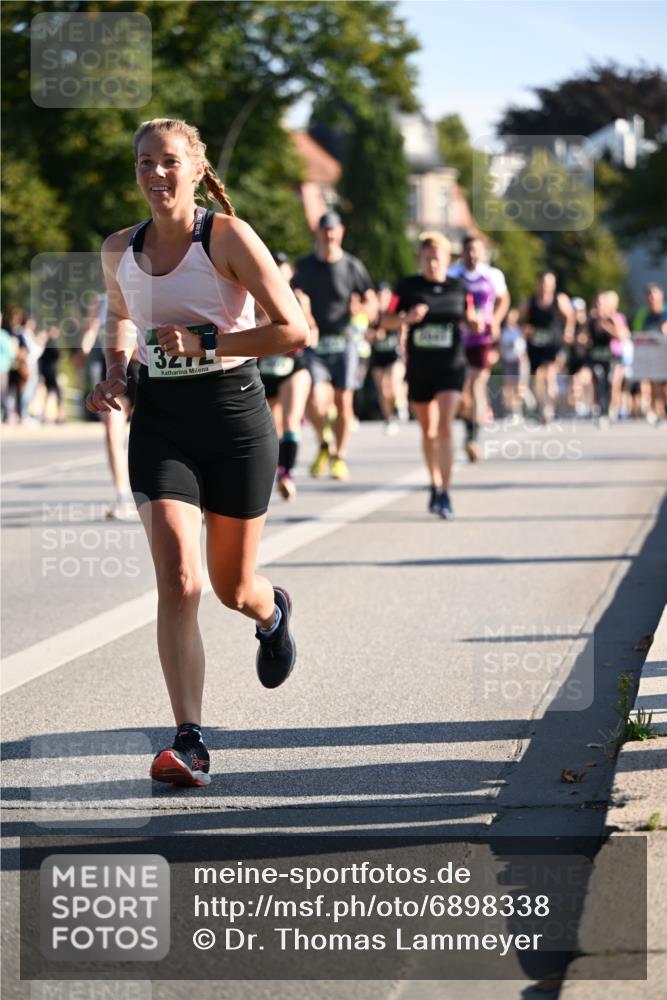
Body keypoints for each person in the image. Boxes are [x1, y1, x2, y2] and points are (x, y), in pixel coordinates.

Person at [85, 118, 309, 788]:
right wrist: (118, 371)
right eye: (145, 163)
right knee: (179, 580)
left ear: (195, 168)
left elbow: (293, 330)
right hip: (162, 425)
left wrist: (209, 345)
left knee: (231, 587)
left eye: (169, 163)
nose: (156, 175)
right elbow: (122, 313)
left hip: (236, 421)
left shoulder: (228, 238)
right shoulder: (119, 248)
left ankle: (272, 614)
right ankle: (188, 739)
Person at [383, 232, 472, 519]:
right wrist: (406, 319)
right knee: (428, 430)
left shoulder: (459, 288)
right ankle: (433, 482)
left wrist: (477, 322)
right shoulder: (408, 287)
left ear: (447, 260)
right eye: (427, 258)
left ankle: (445, 492)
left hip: (451, 366)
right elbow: (384, 319)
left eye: (437, 258)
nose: (432, 263)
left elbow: (472, 316)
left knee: (444, 427)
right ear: (420, 259)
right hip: (420, 367)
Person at [292, 211, 376, 482]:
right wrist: (302, 309)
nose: (329, 235)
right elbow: (292, 294)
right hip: (316, 341)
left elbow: (371, 300)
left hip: (344, 340)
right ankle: (324, 441)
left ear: (341, 232)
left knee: (343, 402)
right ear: (318, 232)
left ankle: (339, 456)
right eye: (324, 229)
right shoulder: (305, 266)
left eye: (334, 230)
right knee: (314, 400)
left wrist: (362, 315)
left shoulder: (352, 266)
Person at [257, 252, 317, 500]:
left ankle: (286, 475)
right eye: (275, 265)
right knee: (270, 428)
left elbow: (311, 330)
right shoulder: (254, 296)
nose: (280, 269)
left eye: (284, 266)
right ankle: (269, 472)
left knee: (292, 419)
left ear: (290, 271)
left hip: (293, 363)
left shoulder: (300, 298)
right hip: (265, 366)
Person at [79, 293, 141, 519]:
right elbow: (93, 327)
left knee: (152, 435)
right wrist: (83, 349)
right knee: (112, 435)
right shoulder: (102, 300)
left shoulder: (149, 284)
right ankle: (122, 496)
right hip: (115, 369)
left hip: (143, 367)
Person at [448, 234, 510, 461]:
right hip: (458, 338)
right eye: (469, 250)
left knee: (477, 385)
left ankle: (473, 438)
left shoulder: (492, 275)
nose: (472, 255)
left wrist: (495, 319)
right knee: (463, 390)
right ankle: (468, 428)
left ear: (482, 252)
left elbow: (504, 299)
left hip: (482, 338)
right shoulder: (453, 275)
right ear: (463, 252)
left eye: (476, 250)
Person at [519, 271, 574, 424]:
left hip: (552, 342)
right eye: (543, 283)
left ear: (553, 285)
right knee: (537, 375)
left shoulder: (559, 300)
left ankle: (548, 409)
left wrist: (568, 332)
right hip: (535, 343)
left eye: (549, 283)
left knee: (550, 373)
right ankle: (541, 405)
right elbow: (519, 319)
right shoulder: (530, 301)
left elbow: (570, 315)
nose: (545, 287)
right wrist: (524, 328)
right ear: (539, 284)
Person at [367, 282, 408, 434]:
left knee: (392, 382)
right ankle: (389, 419)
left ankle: (401, 404)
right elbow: (366, 336)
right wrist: (374, 336)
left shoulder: (395, 312)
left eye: (385, 295)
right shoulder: (372, 314)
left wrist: (402, 342)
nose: (382, 298)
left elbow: (404, 326)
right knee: (383, 390)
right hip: (378, 357)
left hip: (394, 355)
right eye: (380, 295)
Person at [632, 284, 667, 423]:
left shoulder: (665, 312)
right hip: (649, 356)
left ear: (661, 297)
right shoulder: (643, 314)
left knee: (664, 385)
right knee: (651, 383)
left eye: (654, 295)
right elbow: (637, 335)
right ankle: (655, 411)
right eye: (649, 295)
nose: (651, 298)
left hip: (664, 354)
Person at [499, 307, 527, 423]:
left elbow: (523, 350)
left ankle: (518, 412)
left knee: (518, 387)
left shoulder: (520, 331)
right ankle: (510, 412)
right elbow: (500, 347)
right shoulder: (503, 331)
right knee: (508, 388)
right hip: (507, 361)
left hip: (518, 362)